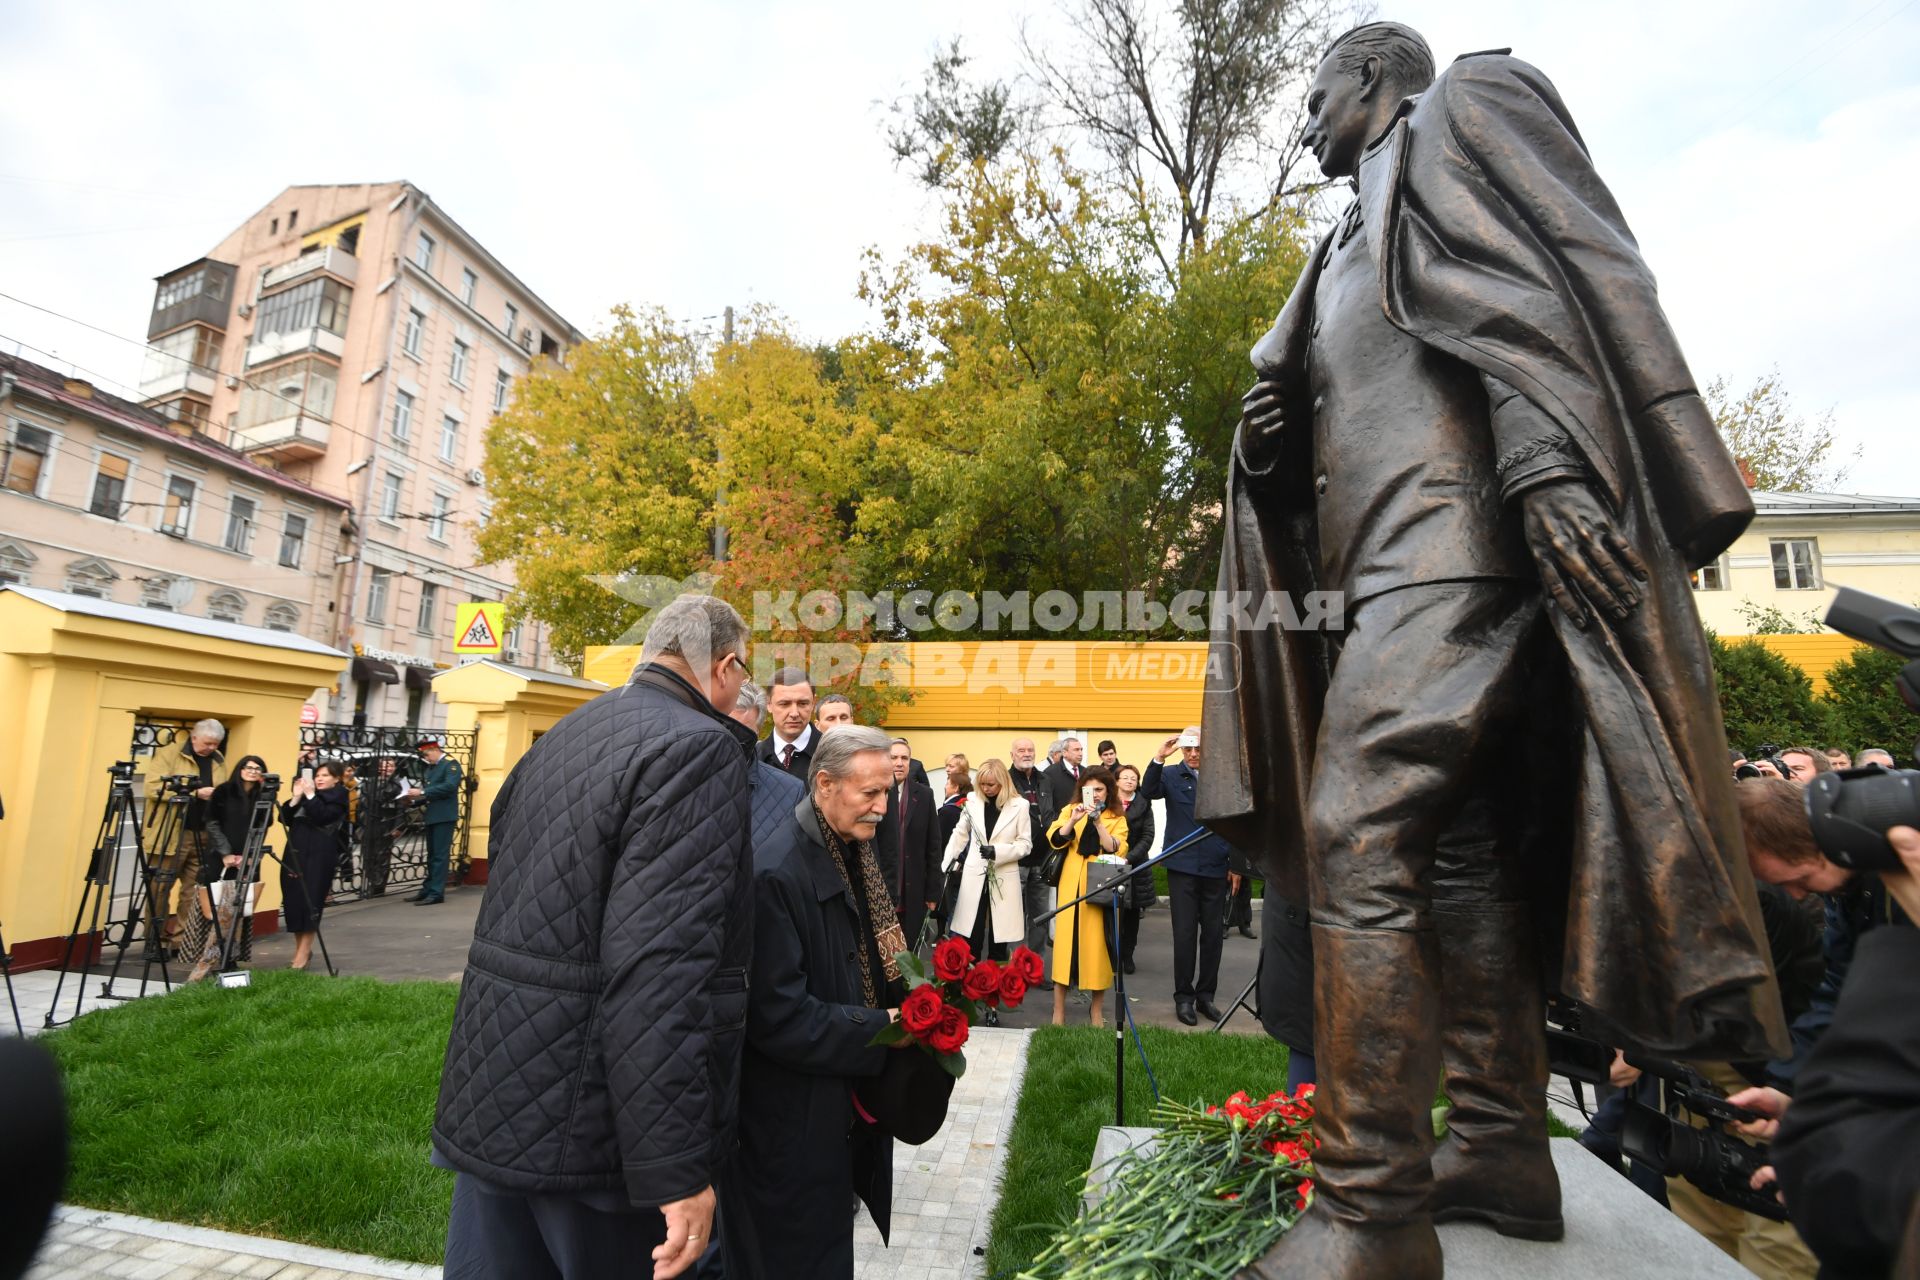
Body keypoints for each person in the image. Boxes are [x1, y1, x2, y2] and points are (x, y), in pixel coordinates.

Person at [1203, 24, 1786, 1276]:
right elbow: (1329, 425)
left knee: (1354, 827)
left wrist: (1540, 460)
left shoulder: (1467, 104)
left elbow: (1558, 280)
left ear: (1372, 79)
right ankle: (1504, 1145)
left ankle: (1370, 1205)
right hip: (1380, 575)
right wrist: (1267, 442)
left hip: (1461, 549)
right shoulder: (1338, 242)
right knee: (1458, 861)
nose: (1301, 126)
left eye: (1313, 100)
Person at [434, 594, 755, 1280]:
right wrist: (673, 1167)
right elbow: (662, 969)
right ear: (725, 667)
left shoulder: (570, 733)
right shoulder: (698, 748)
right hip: (594, 1131)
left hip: (500, 1092)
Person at [733, 725, 908, 1280]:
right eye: (870, 794)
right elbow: (778, 1017)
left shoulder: (849, 846)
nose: (882, 807)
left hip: (834, 1108)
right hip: (790, 1119)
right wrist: (882, 1028)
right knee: (794, 1255)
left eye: (887, 792)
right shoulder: (777, 873)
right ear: (825, 784)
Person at [1736, 826, 1920, 1280]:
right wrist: (1790, 1089)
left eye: (1798, 878)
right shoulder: (1861, 894)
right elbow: (1838, 994)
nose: (1797, 897)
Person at [1144, 727, 1233, 1026]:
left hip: (1215, 864)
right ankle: (1183, 998)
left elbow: (1234, 819)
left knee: (1212, 937)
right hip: (1182, 867)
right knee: (1184, 936)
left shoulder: (1221, 776)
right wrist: (1159, 756)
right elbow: (1147, 791)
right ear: (1181, 750)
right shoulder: (1170, 775)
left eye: (1198, 749)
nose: (1194, 754)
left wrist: (1235, 863)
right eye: (1188, 749)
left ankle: (1206, 996)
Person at [1044, 766, 1128, 1026]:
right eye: (1089, 790)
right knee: (1064, 949)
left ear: (1109, 791)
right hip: (1071, 887)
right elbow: (1055, 839)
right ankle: (1058, 1011)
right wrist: (1074, 819)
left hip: (1099, 887)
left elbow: (1116, 848)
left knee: (1097, 951)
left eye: (1100, 790)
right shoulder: (1070, 811)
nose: (1095, 795)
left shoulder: (1116, 817)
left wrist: (1098, 822)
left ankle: (1096, 1011)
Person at [143, 718, 226, 953]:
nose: (211, 748)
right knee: (159, 889)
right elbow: (151, 788)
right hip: (170, 833)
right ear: (194, 737)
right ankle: (154, 942)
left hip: (203, 834)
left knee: (192, 892)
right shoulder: (169, 754)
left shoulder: (218, 760)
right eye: (208, 743)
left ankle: (181, 942)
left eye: (215, 744)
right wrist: (194, 793)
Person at [189, 753, 271, 973]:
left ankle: (231, 957)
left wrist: (251, 854)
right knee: (216, 905)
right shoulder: (224, 791)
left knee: (240, 907)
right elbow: (212, 823)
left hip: (248, 857)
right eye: (248, 767)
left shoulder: (263, 796)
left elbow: (265, 827)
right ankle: (207, 957)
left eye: (257, 768)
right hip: (219, 856)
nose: (252, 771)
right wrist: (226, 853)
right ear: (240, 768)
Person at [279, 759, 348, 971]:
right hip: (295, 852)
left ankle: (301, 956)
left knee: (311, 902)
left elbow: (321, 816)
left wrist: (309, 796)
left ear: (336, 778)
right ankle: (302, 950)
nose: (319, 779)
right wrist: (296, 796)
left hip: (319, 854)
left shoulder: (339, 797)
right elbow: (285, 818)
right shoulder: (309, 796)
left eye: (325, 775)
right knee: (294, 901)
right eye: (317, 775)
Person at [876, 737, 943, 946]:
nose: (899, 763)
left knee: (910, 951)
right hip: (881, 889)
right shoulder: (874, 792)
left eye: (904, 758)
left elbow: (933, 845)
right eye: (893, 757)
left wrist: (933, 892)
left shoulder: (924, 795)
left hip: (913, 890)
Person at [1008, 737, 1055, 988]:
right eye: (1021, 750)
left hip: (1042, 859)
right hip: (1016, 860)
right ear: (1012, 754)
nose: (1026, 753)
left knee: (1040, 918)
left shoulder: (1045, 779)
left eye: (1030, 750)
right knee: (1015, 918)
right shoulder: (1006, 779)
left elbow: (1053, 814)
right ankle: (1015, 973)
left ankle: (1035, 972)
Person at [410, 736, 464, 906]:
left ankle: (436, 893)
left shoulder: (450, 764)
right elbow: (431, 793)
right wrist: (413, 800)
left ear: (435, 750)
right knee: (432, 855)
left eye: (427, 755)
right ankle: (427, 889)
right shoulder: (433, 768)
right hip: (433, 816)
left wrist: (423, 793)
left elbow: (449, 787)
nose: (426, 759)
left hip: (444, 816)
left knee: (440, 856)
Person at [1113, 764, 1156, 975]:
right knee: (1110, 912)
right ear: (1117, 781)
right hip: (1110, 863)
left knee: (1131, 915)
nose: (1130, 781)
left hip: (1136, 865)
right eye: (1125, 777)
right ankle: (1111, 955)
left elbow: (1148, 836)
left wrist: (1129, 858)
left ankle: (1127, 955)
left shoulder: (1144, 804)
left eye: (1134, 778)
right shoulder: (1107, 803)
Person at [758, 668, 818, 775]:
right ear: (768, 704)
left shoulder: (834, 754)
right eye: (784, 704)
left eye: (803, 703)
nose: (794, 713)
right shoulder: (752, 757)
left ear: (814, 703)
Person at [937, 766, 970, 852]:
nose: (945, 787)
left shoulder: (948, 811)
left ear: (956, 788)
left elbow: (940, 841)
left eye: (947, 784)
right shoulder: (968, 804)